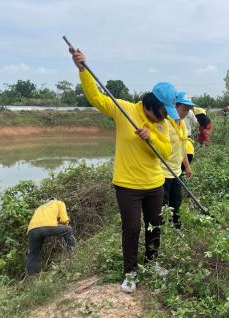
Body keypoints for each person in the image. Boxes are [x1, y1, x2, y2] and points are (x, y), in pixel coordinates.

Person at [72, 49, 175, 293]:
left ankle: (152, 264)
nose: (165, 117)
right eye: (163, 111)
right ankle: (130, 272)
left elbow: (167, 152)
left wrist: (151, 138)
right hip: (127, 185)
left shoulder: (162, 124)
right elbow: (96, 98)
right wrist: (83, 70)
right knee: (131, 228)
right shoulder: (124, 110)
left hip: (154, 184)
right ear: (153, 104)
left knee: (154, 226)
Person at [162, 91, 194, 228]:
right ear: (175, 106)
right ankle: (162, 231)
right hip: (163, 172)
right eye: (183, 109)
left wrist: (187, 167)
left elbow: (183, 149)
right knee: (163, 206)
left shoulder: (183, 125)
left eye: (188, 109)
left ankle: (176, 229)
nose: (186, 112)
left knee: (176, 202)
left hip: (176, 171)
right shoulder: (165, 123)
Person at [26, 198, 76, 276]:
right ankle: (74, 253)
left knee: (33, 253)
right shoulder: (59, 203)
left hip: (32, 230)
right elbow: (64, 220)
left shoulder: (40, 207)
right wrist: (61, 226)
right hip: (48, 226)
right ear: (55, 199)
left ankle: (32, 276)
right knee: (68, 230)